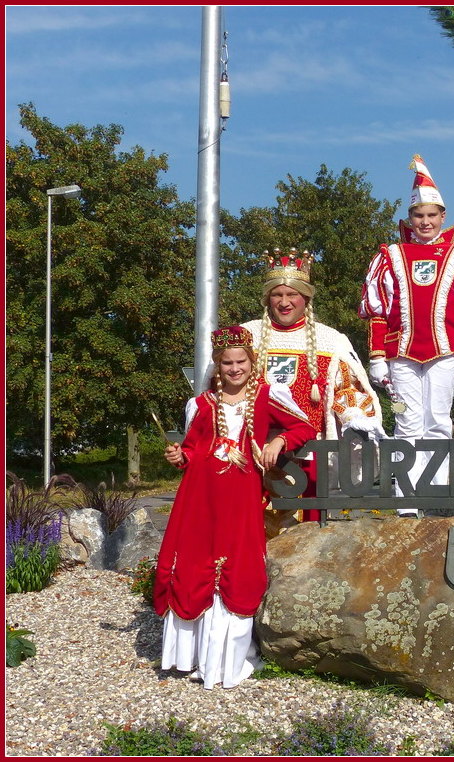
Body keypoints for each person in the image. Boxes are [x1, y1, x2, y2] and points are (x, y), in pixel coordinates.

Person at [154, 325, 317, 690]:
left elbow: (304, 427)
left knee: (236, 561)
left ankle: (227, 659)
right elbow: (193, 451)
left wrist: (278, 439)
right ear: (216, 365)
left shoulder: (267, 396)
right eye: (226, 362)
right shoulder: (199, 405)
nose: (234, 368)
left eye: (240, 361)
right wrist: (179, 455)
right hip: (199, 496)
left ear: (251, 361)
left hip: (242, 494)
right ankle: (191, 657)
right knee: (195, 559)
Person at [359, 155, 454, 517]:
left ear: (443, 217)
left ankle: (434, 494)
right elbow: (378, 312)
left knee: (438, 420)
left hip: (446, 351)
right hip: (401, 353)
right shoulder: (390, 255)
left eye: (432, 215)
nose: (426, 222)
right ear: (409, 219)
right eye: (419, 216)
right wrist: (375, 357)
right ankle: (406, 497)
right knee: (406, 422)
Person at [242, 249, 383, 523]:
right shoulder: (246, 334)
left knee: (309, 528)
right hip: (255, 449)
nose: (284, 302)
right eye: (277, 295)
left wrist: (354, 415)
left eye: (291, 294)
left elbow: (347, 386)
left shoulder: (331, 340)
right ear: (267, 298)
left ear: (305, 297)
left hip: (309, 450)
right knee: (251, 525)